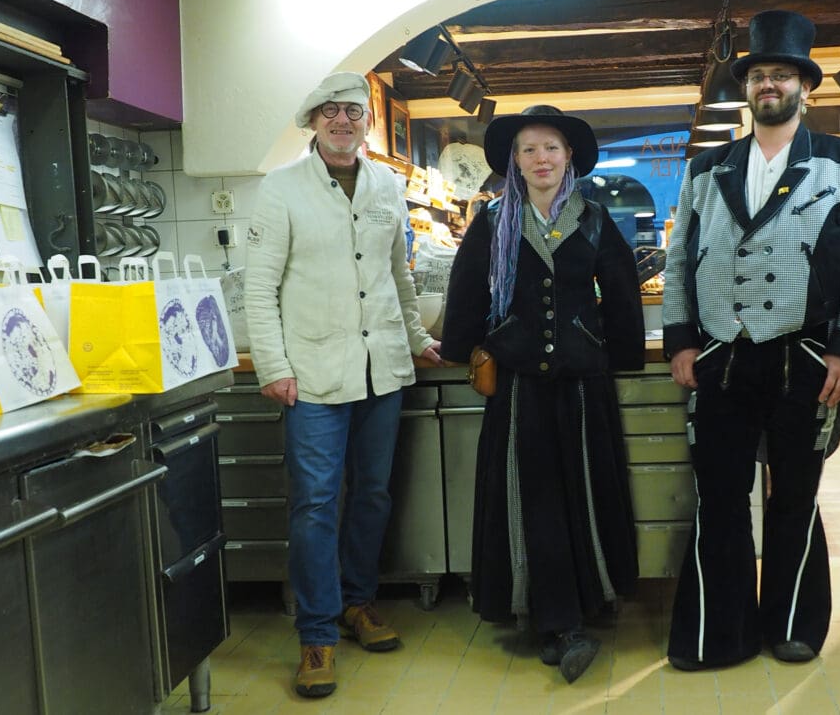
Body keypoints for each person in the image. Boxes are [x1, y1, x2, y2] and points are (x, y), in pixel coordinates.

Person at [661, 10, 840, 670]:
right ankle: (719, 635)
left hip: (806, 355)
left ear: (804, 88)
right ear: (747, 87)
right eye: (759, 74)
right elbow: (680, 259)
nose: (769, 84)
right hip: (722, 356)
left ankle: (793, 625)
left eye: (781, 74)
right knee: (720, 497)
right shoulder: (707, 169)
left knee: (794, 495)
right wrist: (680, 339)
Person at [244, 71, 442, 699]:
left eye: (353, 112)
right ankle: (317, 633)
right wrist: (274, 366)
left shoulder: (386, 183)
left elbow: (397, 275)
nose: (342, 121)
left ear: (366, 122)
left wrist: (415, 338)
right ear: (313, 123)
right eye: (330, 112)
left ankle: (359, 604)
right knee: (315, 504)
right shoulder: (281, 191)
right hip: (313, 375)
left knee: (374, 495)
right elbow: (258, 287)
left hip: (380, 366)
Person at [439, 105, 645, 683]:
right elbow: (467, 294)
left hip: (582, 383)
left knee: (578, 494)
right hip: (518, 382)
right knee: (529, 498)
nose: (541, 159)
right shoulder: (491, 222)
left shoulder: (597, 219)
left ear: (569, 155)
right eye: (529, 150)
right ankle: (556, 621)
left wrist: (621, 355)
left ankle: (569, 616)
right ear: (516, 161)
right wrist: (465, 346)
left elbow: (623, 296)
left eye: (551, 147)